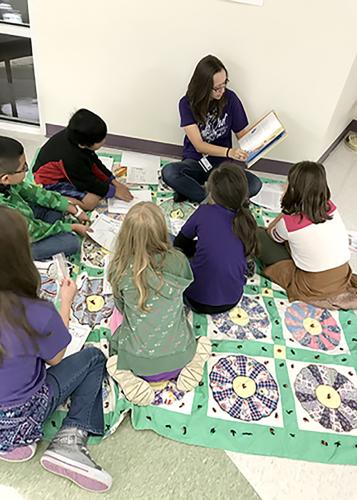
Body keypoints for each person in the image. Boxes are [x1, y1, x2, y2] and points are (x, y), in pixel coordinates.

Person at [0, 207, 112, 493]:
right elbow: (56, 357)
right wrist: (65, 303)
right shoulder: (36, 312)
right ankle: (69, 440)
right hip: (21, 416)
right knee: (93, 357)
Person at [106, 202, 211, 406]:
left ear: (125, 235)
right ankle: (193, 364)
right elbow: (182, 291)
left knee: (116, 337)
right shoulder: (179, 260)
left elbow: (120, 307)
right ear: (163, 230)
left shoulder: (118, 269)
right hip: (180, 359)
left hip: (138, 365)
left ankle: (128, 378)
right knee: (194, 333)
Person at [161, 55, 262, 203]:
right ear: (203, 86)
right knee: (169, 172)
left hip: (222, 168)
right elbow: (199, 145)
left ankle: (200, 194)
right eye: (216, 88)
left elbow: (243, 135)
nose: (222, 91)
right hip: (196, 162)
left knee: (255, 184)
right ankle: (215, 198)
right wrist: (229, 152)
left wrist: (262, 136)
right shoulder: (186, 103)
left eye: (224, 84)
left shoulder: (231, 99)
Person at [258, 161, 357, 309]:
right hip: (342, 274)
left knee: (258, 234)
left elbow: (271, 235)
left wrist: (286, 211)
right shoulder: (329, 206)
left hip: (312, 284)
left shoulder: (289, 222)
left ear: (293, 189)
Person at [174, 162, 258, 314]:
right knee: (225, 249)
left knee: (167, 239)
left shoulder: (204, 212)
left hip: (195, 298)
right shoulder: (248, 220)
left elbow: (179, 243)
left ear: (211, 192)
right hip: (232, 299)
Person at [0, 136, 90, 261]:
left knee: (54, 206)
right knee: (72, 242)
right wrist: (71, 227)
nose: (27, 169)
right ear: (5, 179)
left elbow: (35, 193)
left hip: (26, 221)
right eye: (23, 168)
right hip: (17, 243)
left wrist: (73, 209)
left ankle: (52, 230)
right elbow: (32, 231)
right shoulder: (5, 212)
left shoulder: (9, 182)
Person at [33, 108, 133, 210]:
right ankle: (55, 198)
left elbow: (94, 162)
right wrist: (113, 191)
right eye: (100, 140)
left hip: (69, 171)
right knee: (91, 202)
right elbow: (86, 182)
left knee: (99, 182)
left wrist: (114, 182)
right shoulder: (72, 159)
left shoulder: (76, 137)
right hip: (48, 181)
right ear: (82, 145)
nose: (104, 141)